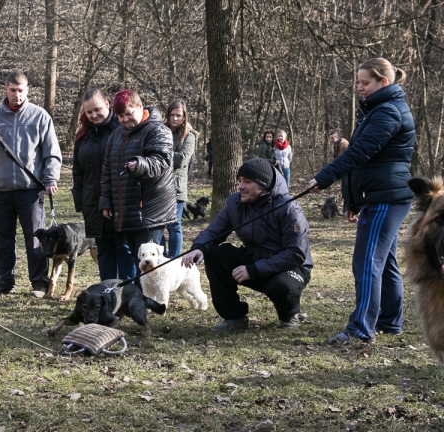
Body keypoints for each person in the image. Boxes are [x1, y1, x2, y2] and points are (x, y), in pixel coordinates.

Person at [308, 58, 414, 344]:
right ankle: (390, 322)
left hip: (386, 197)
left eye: (365, 82)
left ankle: (360, 330)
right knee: (385, 260)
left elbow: (358, 155)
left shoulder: (388, 112)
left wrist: (324, 177)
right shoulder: (377, 110)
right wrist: (351, 201)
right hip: (382, 195)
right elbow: (362, 162)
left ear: (384, 82)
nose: (359, 88)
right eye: (359, 82)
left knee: (367, 262)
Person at [182, 158, 313, 331]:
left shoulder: (289, 208)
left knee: (281, 286)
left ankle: (289, 315)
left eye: (248, 182)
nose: (241, 186)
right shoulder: (234, 203)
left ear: (263, 184)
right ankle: (234, 317)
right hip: (254, 259)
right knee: (215, 254)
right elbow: (214, 232)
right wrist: (199, 248)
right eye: (239, 181)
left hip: (290, 267)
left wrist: (254, 270)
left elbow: (296, 253)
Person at [0, 70, 62, 298]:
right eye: (12, 90)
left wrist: (51, 178)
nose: (17, 95)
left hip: (31, 191)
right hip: (1, 190)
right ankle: (3, 281)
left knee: (36, 239)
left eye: (21, 90)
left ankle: (39, 283)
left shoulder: (40, 117)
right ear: (5, 90)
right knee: (3, 239)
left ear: (27, 91)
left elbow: (52, 152)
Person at [100, 89, 177, 279]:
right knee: (136, 260)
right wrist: (106, 200)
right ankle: (136, 301)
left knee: (151, 262)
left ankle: (154, 300)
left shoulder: (158, 130)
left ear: (140, 107)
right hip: (126, 209)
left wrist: (140, 164)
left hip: (150, 211)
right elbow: (107, 170)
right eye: (120, 116)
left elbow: (162, 161)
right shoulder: (116, 135)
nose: (125, 119)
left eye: (128, 113)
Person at [72, 87, 136, 281]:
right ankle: (107, 295)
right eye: (89, 112)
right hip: (92, 204)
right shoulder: (83, 136)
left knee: (124, 251)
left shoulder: (122, 130)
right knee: (104, 253)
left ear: (107, 105)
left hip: (119, 202)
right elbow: (78, 171)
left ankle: (128, 296)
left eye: (97, 109)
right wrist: (81, 201)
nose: (94, 115)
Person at [160, 100, 196, 258]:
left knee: (174, 226)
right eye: (172, 115)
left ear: (184, 117)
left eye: (178, 115)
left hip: (176, 186)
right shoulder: (160, 130)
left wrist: (162, 151)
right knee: (158, 226)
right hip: (158, 185)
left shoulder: (189, 135)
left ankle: (174, 260)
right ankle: (161, 258)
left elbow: (182, 160)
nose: (175, 118)